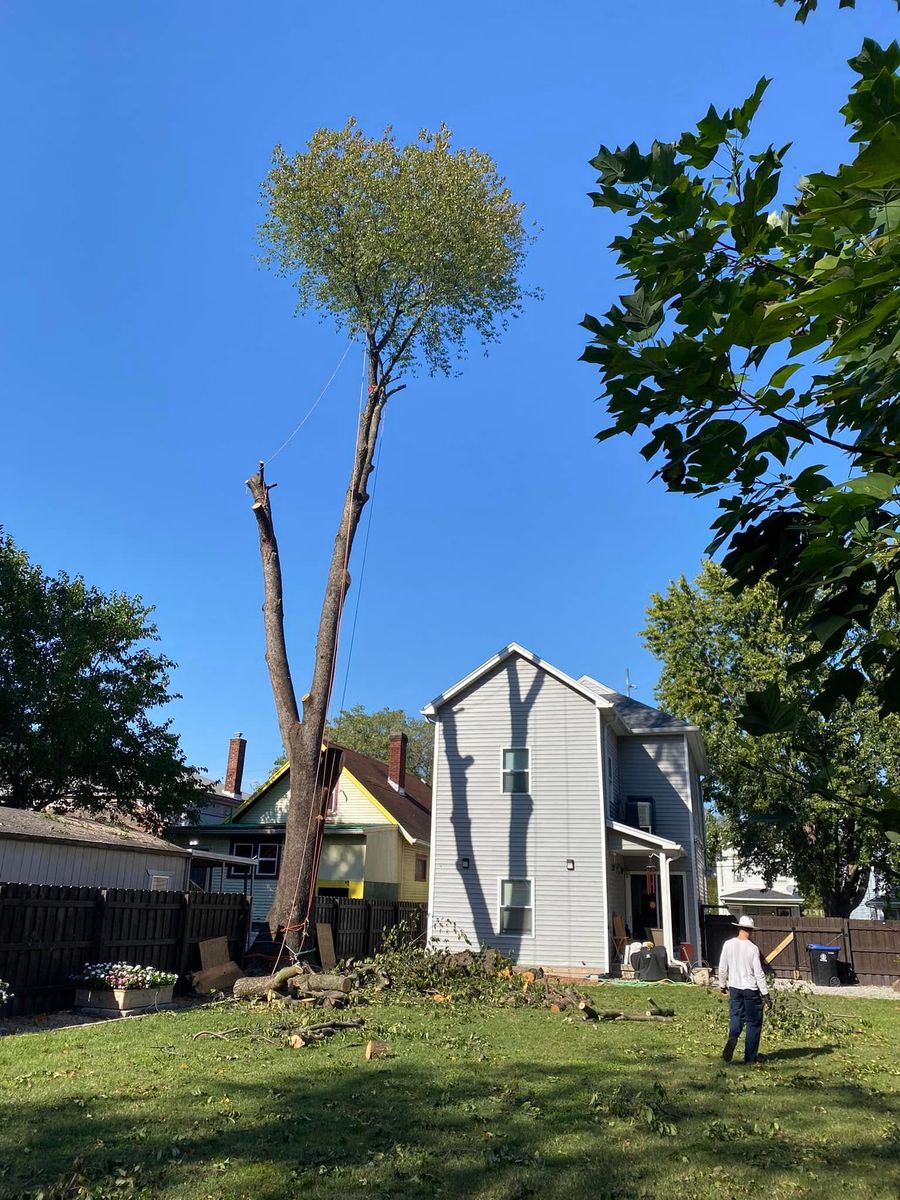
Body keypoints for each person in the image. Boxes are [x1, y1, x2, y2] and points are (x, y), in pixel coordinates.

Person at [718, 914, 773, 1065]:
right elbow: (758, 973)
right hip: (750, 989)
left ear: (739, 928)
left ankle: (733, 1037)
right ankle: (750, 1058)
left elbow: (722, 968)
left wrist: (722, 985)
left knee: (736, 1015)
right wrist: (766, 994)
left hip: (734, 987)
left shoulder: (728, 944)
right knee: (753, 1023)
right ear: (750, 930)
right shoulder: (753, 948)